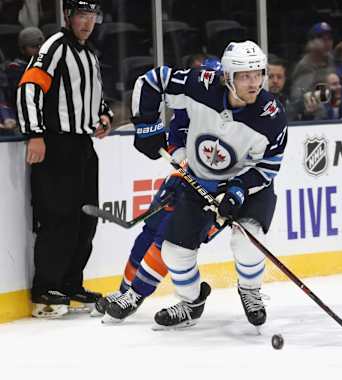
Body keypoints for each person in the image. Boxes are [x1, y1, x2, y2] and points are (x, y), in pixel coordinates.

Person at [128, 40, 288, 329]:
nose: (254, 83)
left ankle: (250, 291)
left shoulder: (271, 117)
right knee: (174, 253)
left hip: (249, 187)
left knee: (247, 240)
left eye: (258, 74)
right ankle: (191, 302)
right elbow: (152, 82)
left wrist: (238, 190)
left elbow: (269, 165)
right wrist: (147, 126)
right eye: (245, 76)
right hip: (200, 182)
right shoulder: (200, 85)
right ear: (227, 77)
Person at [93, 58, 225, 323]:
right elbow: (176, 139)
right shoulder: (191, 105)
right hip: (186, 179)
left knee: (170, 238)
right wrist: (183, 163)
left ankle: (150, 296)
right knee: (151, 229)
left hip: (220, 191)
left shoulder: (231, 116)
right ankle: (125, 291)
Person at [16, 0, 113, 318]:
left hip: (83, 145)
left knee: (86, 218)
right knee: (59, 217)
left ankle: (70, 284)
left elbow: (95, 93)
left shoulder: (89, 53)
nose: (87, 22)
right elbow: (29, 87)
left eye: (92, 16)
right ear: (68, 17)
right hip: (58, 145)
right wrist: (35, 133)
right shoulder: (55, 46)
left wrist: (104, 115)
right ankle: (46, 289)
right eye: (81, 16)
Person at [290, 21, 335, 120]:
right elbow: (297, 98)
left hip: (332, 115)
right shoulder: (304, 66)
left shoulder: (332, 60)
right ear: (311, 42)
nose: (327, 42)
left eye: (329, 39)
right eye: (323, 39)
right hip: (312, 119)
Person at [5, 26, 45, 124]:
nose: (39, 50)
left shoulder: (46, 65)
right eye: (34, 47)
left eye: (41, 46)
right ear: (23, 49)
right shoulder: (15, 69)